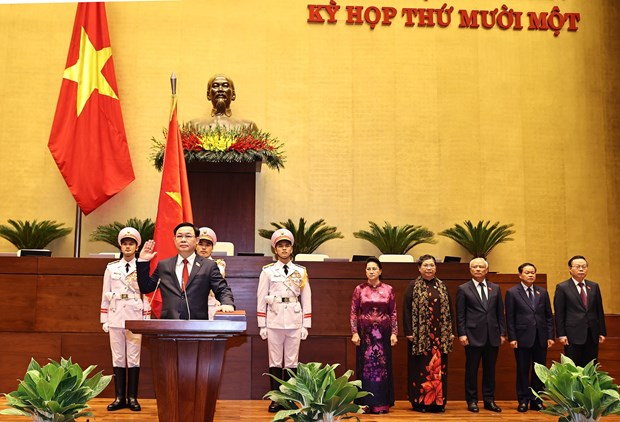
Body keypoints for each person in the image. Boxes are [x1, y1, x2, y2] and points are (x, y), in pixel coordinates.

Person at [257, 229, 312, 413]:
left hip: (294, 320)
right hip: (274, 319)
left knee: (291, 361)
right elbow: (261, 297)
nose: (284, 248)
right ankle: (275, 399)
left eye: (287, 245)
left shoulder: (301, 271)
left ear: (291, 248)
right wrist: (262, 324)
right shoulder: (268, 271)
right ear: (275, 249)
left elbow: (306, 298)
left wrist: (306, 324)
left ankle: (288, 399)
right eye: (280, 246)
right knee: (274, 361)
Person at [136, 222, 235, 319]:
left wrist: (227, 303)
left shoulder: (208, 266)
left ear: (196, 240)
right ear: (174, 240)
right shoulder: (164, 265)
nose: (183, 240)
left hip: (197, 325)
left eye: (188, 236)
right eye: (179, 236)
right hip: (168, 324)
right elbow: (145, 288)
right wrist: (143, 261)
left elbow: (222, 289)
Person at [100, 227, 150, 412]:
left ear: (137, 247)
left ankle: (133, 398)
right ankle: (120, 397)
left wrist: (146, 318)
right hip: (115, 314)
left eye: (132, 244)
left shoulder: (142, 266)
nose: (128, 247)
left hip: (135, 314)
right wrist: (104, 318)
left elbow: (147, 294)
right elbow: (105, 293)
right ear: (120, 246)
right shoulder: (111, 268)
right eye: (125, 243)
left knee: (133, 357)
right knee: (118, 357)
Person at [402, 254, 453, 413]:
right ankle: (420, 403)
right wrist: (409, 332)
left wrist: (451, 332)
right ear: (419, 268)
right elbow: (406, 310)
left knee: (438, 368)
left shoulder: (442, 286)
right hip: (420, 336)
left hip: (440, 336)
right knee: (421, 368)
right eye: (425, 265)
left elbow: (451, 310)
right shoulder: (413, 286)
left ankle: (438, 403)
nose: (429, 268)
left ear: (435, 268)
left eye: (431, 265)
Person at [456, 257, 506, 413]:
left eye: (481, 267)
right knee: (471, 370)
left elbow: (500, 313)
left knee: (490, 370)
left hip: (493, 336)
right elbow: (460, 314)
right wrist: (462, 334)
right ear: (470, 270)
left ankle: (489, 400)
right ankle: (472, 401)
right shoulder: (463, 289)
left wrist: (502, 333)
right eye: (475, 267)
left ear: (486, 270)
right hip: (472, 336)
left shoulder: (495, 288)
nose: (478, 269)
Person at [350, 257, 397, 414]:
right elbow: (353, 312)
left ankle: (381, 403)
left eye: (374, 268)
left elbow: (394, 312)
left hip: (383, 335)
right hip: (365, 336)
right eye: (368, 269)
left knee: (382, 368)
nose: (371, 271)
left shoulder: (388, 289)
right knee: (366, 369)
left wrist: (394, 333)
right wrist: (354, 333)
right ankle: (365, 403)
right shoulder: (359, 289)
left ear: (380, 271)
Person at [505, 262, 555, 412]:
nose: (531, 275)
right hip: (521, 338)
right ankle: (523, 400)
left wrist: (550, 335)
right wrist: (512, 337)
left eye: (533, 272)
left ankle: (537, 400)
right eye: (527, 272)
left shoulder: (542, 292)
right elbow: (510, 318)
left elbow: (548, 316)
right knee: (522, 369)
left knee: (539, 371)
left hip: (541, 337)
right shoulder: (512, 292)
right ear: (520, 275)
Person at [554, 255, 606, 367]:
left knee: (591, 366)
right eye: (577, 267)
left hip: (592, 334)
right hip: (572, 335)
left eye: (584, 266)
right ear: (570, 269)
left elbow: (599, 310)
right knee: (574, 367)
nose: (581, 269)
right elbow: (559, 313)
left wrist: (602, 331)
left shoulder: (594, 286)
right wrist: (561, 334)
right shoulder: (562, 287)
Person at [191, 74, 257, 131]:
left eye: (225, 85)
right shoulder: (194, 126)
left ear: (233, 95)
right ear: (208, 95)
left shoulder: (248, 127)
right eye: (215, 86)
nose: (220, 89)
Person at [196, 226, 225, 319]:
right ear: (195, 245)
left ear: (212, 248)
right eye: (200, 244)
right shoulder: (187, 263)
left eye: (208, 245)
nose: (204, 247)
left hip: (211, 307)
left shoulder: (218, 265)